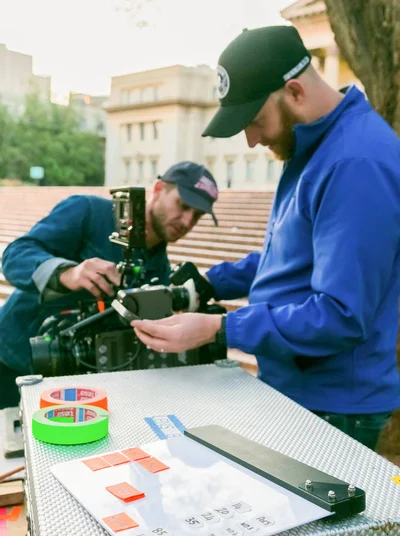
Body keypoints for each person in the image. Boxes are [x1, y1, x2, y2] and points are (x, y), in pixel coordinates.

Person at [132, 26, 400, 450]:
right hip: (300, 390)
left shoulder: (355, 162)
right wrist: (209, 283)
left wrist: (220, 329)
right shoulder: (315, 147)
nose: (252, 140)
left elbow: (341, 314)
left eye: (255, 121)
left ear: (294, 91)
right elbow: (289, 257)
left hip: (332, 407)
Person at [0, 161, 219, 408]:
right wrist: (68, 273)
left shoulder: (161, 270)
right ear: (158, 189)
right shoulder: (88, 211)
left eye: (197, 215)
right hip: (10, 360)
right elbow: (15, 255)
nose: (188, 221)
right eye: (183, 205)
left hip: (67, 383)